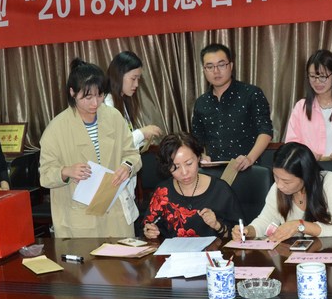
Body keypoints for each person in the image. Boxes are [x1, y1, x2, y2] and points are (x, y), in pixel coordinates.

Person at [39, 59, 141, 237]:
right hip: (79, 216)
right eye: (88, 97)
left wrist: (127, 166)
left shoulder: (114, 117)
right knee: (88, 256)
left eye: (100, 95)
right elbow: (45, 175)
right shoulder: (56, 129)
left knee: (122, 254)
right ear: (72, 92)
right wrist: (66, 171)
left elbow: (132, 154)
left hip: (115, 209)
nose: (95, 103)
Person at [233, 142, 332, 241]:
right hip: (297, 255)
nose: (279, 185)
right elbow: (266, 220)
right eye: (276, 177)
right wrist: (248, 231)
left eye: (287, 181)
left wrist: (299, 225)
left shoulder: (329, 181)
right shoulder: (277, 187)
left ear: (306, 176)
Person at [142, 133, 243, 240]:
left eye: (189, 163)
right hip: (174, 251)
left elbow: (240, 233)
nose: (184, 172)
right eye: (175, 167)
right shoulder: (162, 192)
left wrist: (217, 225)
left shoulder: (220, 190)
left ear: (198, 157)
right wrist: (149, 231)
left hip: (214, 250)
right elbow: (147, 226)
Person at [190, 43, 273, 171]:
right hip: (213, 172)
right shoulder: (201, 102)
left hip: (247, 169)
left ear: (231, 66)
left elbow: (265, 131)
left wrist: (249, 158)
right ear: (204, 70)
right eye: (210, 67)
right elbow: (197, 139)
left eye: (221, 65)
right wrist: (202, 156)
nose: (216, 71)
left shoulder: (251, 94)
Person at [105, 51, 163, 150]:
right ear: (119, 75)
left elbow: (127, 141)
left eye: (138, 79)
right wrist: (141, 133)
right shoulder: (106, 104)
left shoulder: (121, 100)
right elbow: (116, 145)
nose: (136, 84)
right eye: (133, 78)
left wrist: (142, 140)